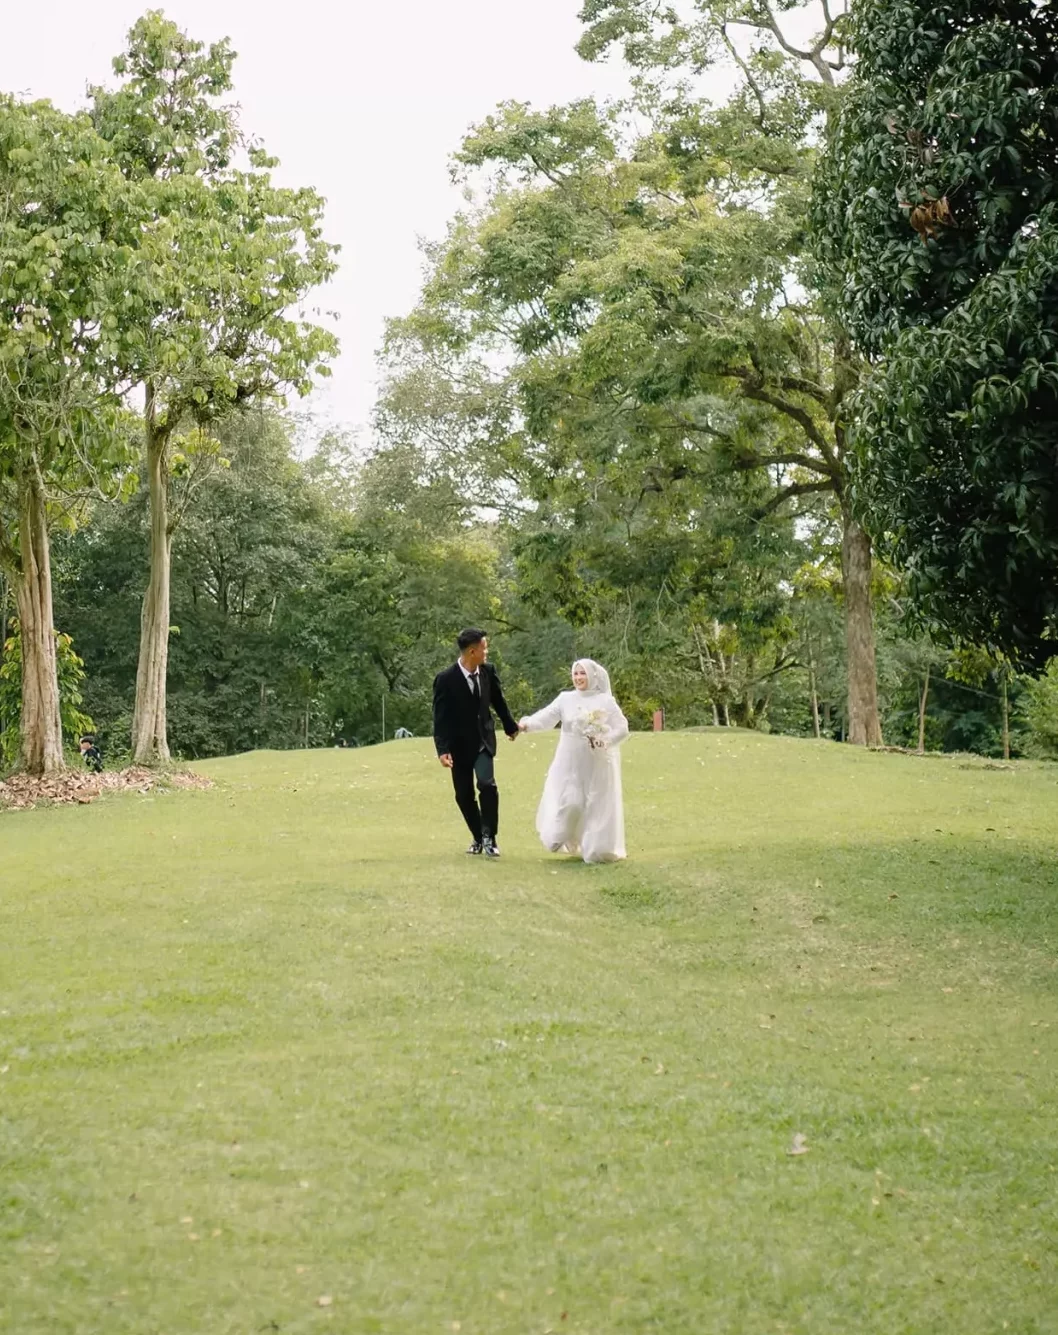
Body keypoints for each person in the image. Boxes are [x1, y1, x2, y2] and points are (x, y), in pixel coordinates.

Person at [518, 659, 629, 864]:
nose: (578, 678)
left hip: (596, 762)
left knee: (595, 804)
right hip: (569, 760)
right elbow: (547, 716)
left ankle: (596, 848)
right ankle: (560, 835)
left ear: (593, 676)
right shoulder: (565, 699)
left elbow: (622, 728)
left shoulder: (605, 701)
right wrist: (526, 725)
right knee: (571, 801)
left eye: (582, 673)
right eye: (576, 673)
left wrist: (605, 740)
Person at [433, 628, 520, 858]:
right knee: (463, 795)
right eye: (484, 648)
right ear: (472, 651)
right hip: (458, 747)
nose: (487, 652)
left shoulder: (488, 672)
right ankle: (478, 836)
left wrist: (510, 726)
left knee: (487, 784)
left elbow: (498, 701)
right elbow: (440, 718)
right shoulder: (445, 679)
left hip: (483, 741)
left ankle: (490, 837)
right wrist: (442, 750)